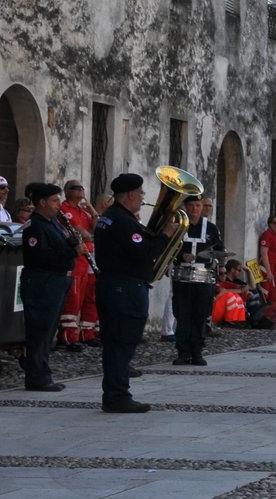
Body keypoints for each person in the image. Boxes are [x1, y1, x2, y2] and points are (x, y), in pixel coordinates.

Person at [94, 173, 176, 413]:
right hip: (125, 288)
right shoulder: (122, 220)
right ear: (130, 195)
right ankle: (117, 395)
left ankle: (114, 393)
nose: (142, 197)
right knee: (122, 342)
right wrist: (167, 233)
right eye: (140, 193)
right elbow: (145, 251)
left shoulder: (110, 217)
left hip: (114, 285)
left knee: (115, 343)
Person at [19, 183, 77, 391]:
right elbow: (41, 256)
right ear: (41, 203)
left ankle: (42, 372)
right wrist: (72, 252)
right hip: (41, 282)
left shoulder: (52, 222)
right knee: (40, 330)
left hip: (55, 281)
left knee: (48, 330)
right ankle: (37, 377)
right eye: (54, 201)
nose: (58, 205)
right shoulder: (35, 226)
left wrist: (71, 244)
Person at [170, 196, 223, 366]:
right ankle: (183, 352)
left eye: (198, 205)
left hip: (204, 276)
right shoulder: (177, 225)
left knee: (201, 314)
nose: (195, 209)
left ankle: (197, 351)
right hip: (182, 276)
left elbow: (220, 249)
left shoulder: (211, 228)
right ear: (185, 206)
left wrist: (217, 262)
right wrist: (181, 255)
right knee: (182, 314)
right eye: (191, 205)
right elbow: (168, 247)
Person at [58, 180, 100, 351]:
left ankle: (87, 333)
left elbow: (95, 232)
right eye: (76, 188)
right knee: (73, 298)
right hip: (76, 260)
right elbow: (81, 234)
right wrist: (89, 235)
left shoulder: (83, 211)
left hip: (88, 258)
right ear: (67, 191)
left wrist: (93, 212)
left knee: (90, 297)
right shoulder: (64, 210)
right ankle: (68, 336)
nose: (81, 190)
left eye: (82, 187)